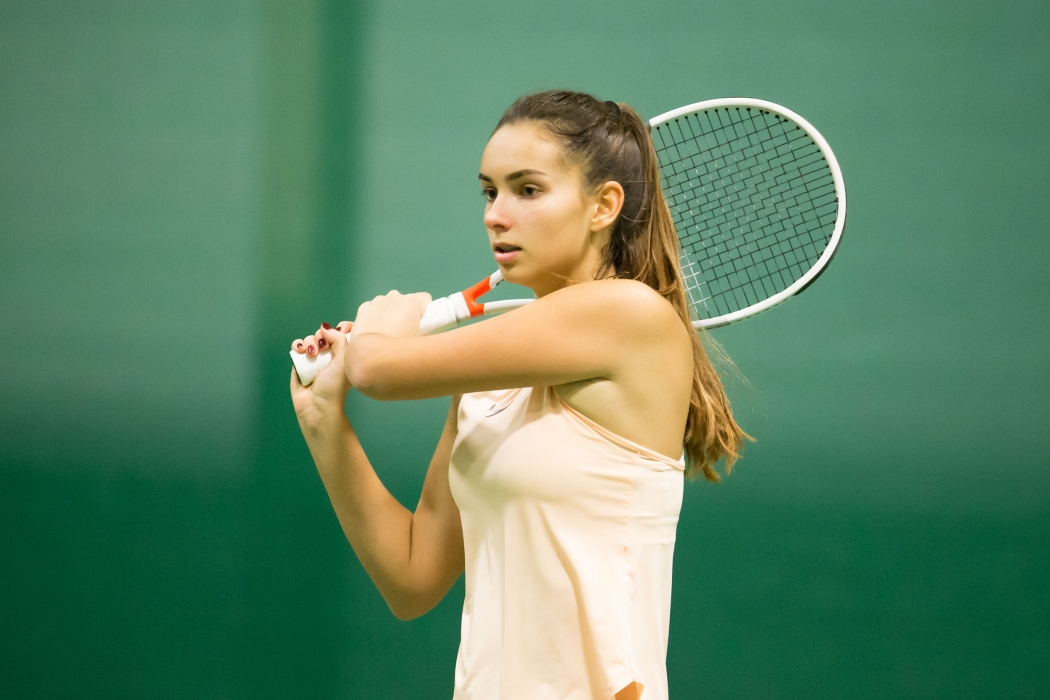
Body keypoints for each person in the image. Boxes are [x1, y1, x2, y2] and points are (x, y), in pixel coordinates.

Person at [289, 90, 748, 700]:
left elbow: (377, 371)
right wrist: (324, 419)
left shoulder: (631, 314)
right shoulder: (488, 384)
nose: (496, 215)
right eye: (490, 192)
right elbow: (412, 578)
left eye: (527, 190)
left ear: (604, 206)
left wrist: (379, 330)